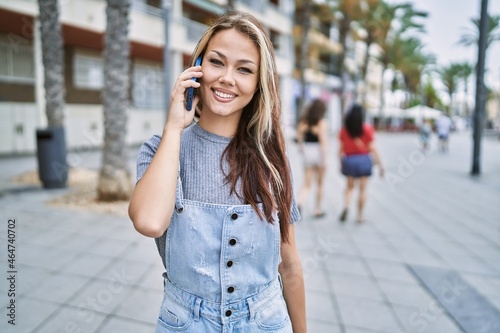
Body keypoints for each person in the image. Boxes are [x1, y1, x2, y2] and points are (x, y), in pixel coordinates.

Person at [128, 11, 306, 333]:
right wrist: (173, 127)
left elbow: (289, 265)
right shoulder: (161, 149)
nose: (227, 78)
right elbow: (149, 221)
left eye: (244, 69)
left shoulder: (272, 160)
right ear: (196, 67)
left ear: (258, 84)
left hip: (265, 323)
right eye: (216, 62)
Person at [338, 104, 384, 224]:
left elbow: (340, 150)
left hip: (349, 160)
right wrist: (381, 164)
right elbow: (373, 148)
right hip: (363, 160)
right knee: (362, 190)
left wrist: (340, 162)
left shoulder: (344, 130)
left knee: (349, 187)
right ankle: (359, 216)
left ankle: (347, 206)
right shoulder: (367, 129)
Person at [296, 99, 328, 218]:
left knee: (307, 183)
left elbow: (299, 138)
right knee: (319, 183)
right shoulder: (321, 123)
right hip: (318, 153)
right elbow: (323, 141)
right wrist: (324, 159)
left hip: (307, 153)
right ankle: (317, 209)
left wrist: (302, 149)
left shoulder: (303, 122)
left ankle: (299, 202)